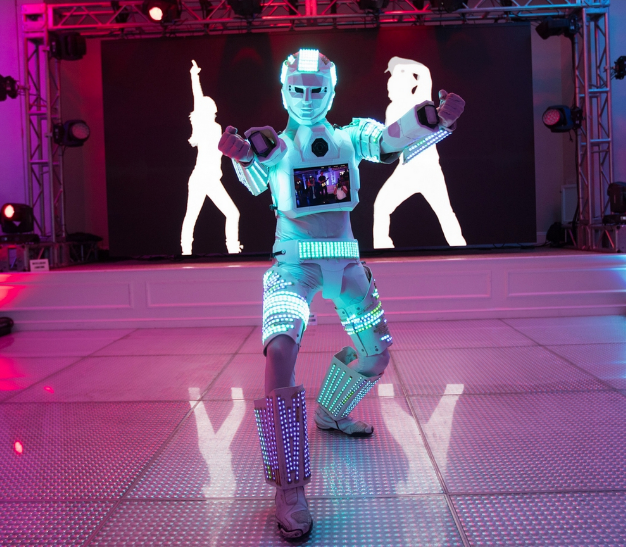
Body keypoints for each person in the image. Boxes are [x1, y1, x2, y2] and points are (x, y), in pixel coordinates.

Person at [218, 49, 464, 539]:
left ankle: (331, 411)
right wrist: (241, 153)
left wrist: (435, 119)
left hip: (347, 263)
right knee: (280, 352)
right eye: (298, 90)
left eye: (317, 90)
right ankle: (289, 486)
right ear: (284, 92)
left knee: (375, 355)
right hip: (294, 265)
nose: (307, 99)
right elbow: (254, 173)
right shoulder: (273, 147)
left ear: (331, 91)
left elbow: (391, 139)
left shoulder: (352, 136)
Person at [373, 57, 466, 248]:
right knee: (381, 206)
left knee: (445, 212)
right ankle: (383, 250)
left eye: (393, 81)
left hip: (429, 169)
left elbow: (424, 72)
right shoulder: (392, 108)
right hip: (406, 169)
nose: (389, 85)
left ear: (405, 84)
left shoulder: (419, 100)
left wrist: (399, 62)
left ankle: (461, 251)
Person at [180, 60, 242, 255]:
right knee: (193, 215)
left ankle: (233, 249)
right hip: (202, 177)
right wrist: (194, 76)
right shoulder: (203, 124)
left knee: (231, 213)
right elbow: (197, 98)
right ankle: (186, 252)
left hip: (210, 178)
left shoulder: (216, 127)